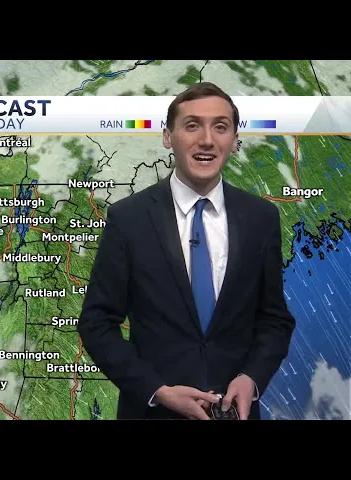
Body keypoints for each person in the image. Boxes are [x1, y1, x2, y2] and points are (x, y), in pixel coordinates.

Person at [77, 82, 296, 420]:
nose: (207, 140)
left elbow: (274, 320)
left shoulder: (260, 218)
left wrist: (251, 379)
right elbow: (96, 323)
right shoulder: (129, 219)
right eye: (192, 125)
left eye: (220, 127)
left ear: (234, 139)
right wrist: (157, 390)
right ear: (168, 136)